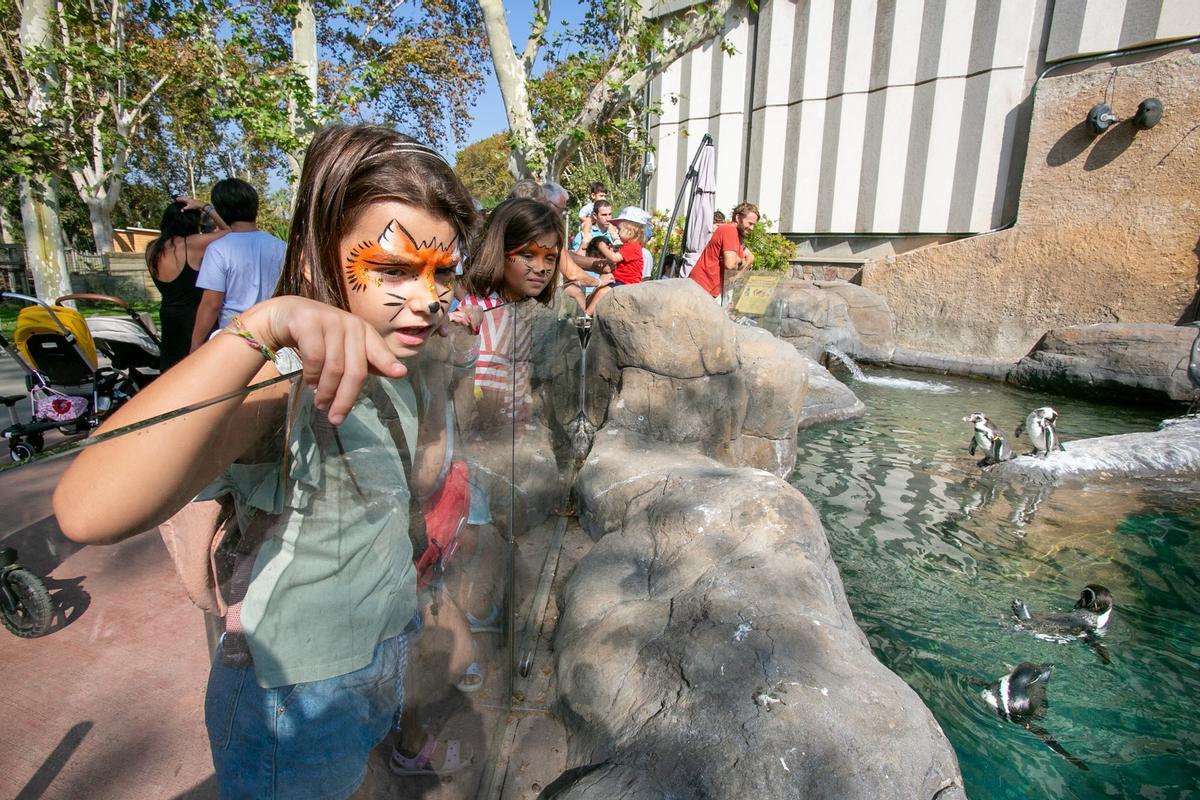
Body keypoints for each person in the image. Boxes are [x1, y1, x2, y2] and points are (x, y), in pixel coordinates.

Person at [53, 123, 479, 799]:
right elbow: (86, 508)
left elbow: (411, 486)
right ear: (315, 261)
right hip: (296, 699)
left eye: (443, 273)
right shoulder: (286, 381)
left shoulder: (407, 358)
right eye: (394, 269)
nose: (427, 297)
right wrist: (261, 328)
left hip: (380, 650)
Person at [190, 178, 287, 352]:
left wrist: (195, 345)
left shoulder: (218, 249)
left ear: (221, 209)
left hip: (236, 337)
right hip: (274, 334)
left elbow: (211, 304)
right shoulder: (280, 247)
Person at [145, 197, 230, 370]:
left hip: (169, 317)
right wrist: (205, 207)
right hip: (194, 318)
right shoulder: (193, 244)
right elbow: (229, 231)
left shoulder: (152, 249)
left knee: (172, 371)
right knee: (199, 369)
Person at [584, 206, 650, 315]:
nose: (617, 233)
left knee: (602, 292)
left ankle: (586, 315)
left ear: (630, 230)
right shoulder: (628, 246)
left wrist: (602, 247)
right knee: (597, 290)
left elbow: (614, 258)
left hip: (627, 282)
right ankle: (586, 311)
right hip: (619, 280)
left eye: (619, 230)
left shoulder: (632, 247)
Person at [689, 202, 758, 300]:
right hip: (701, 288)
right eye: (750, 223)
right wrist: (739, 262)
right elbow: (730, 264)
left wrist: (737, 275)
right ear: (738, 218)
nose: (752, 228)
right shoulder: (729, 230)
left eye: (754, 225)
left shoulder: (738, 236)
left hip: (708, 290)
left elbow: (750, 257)